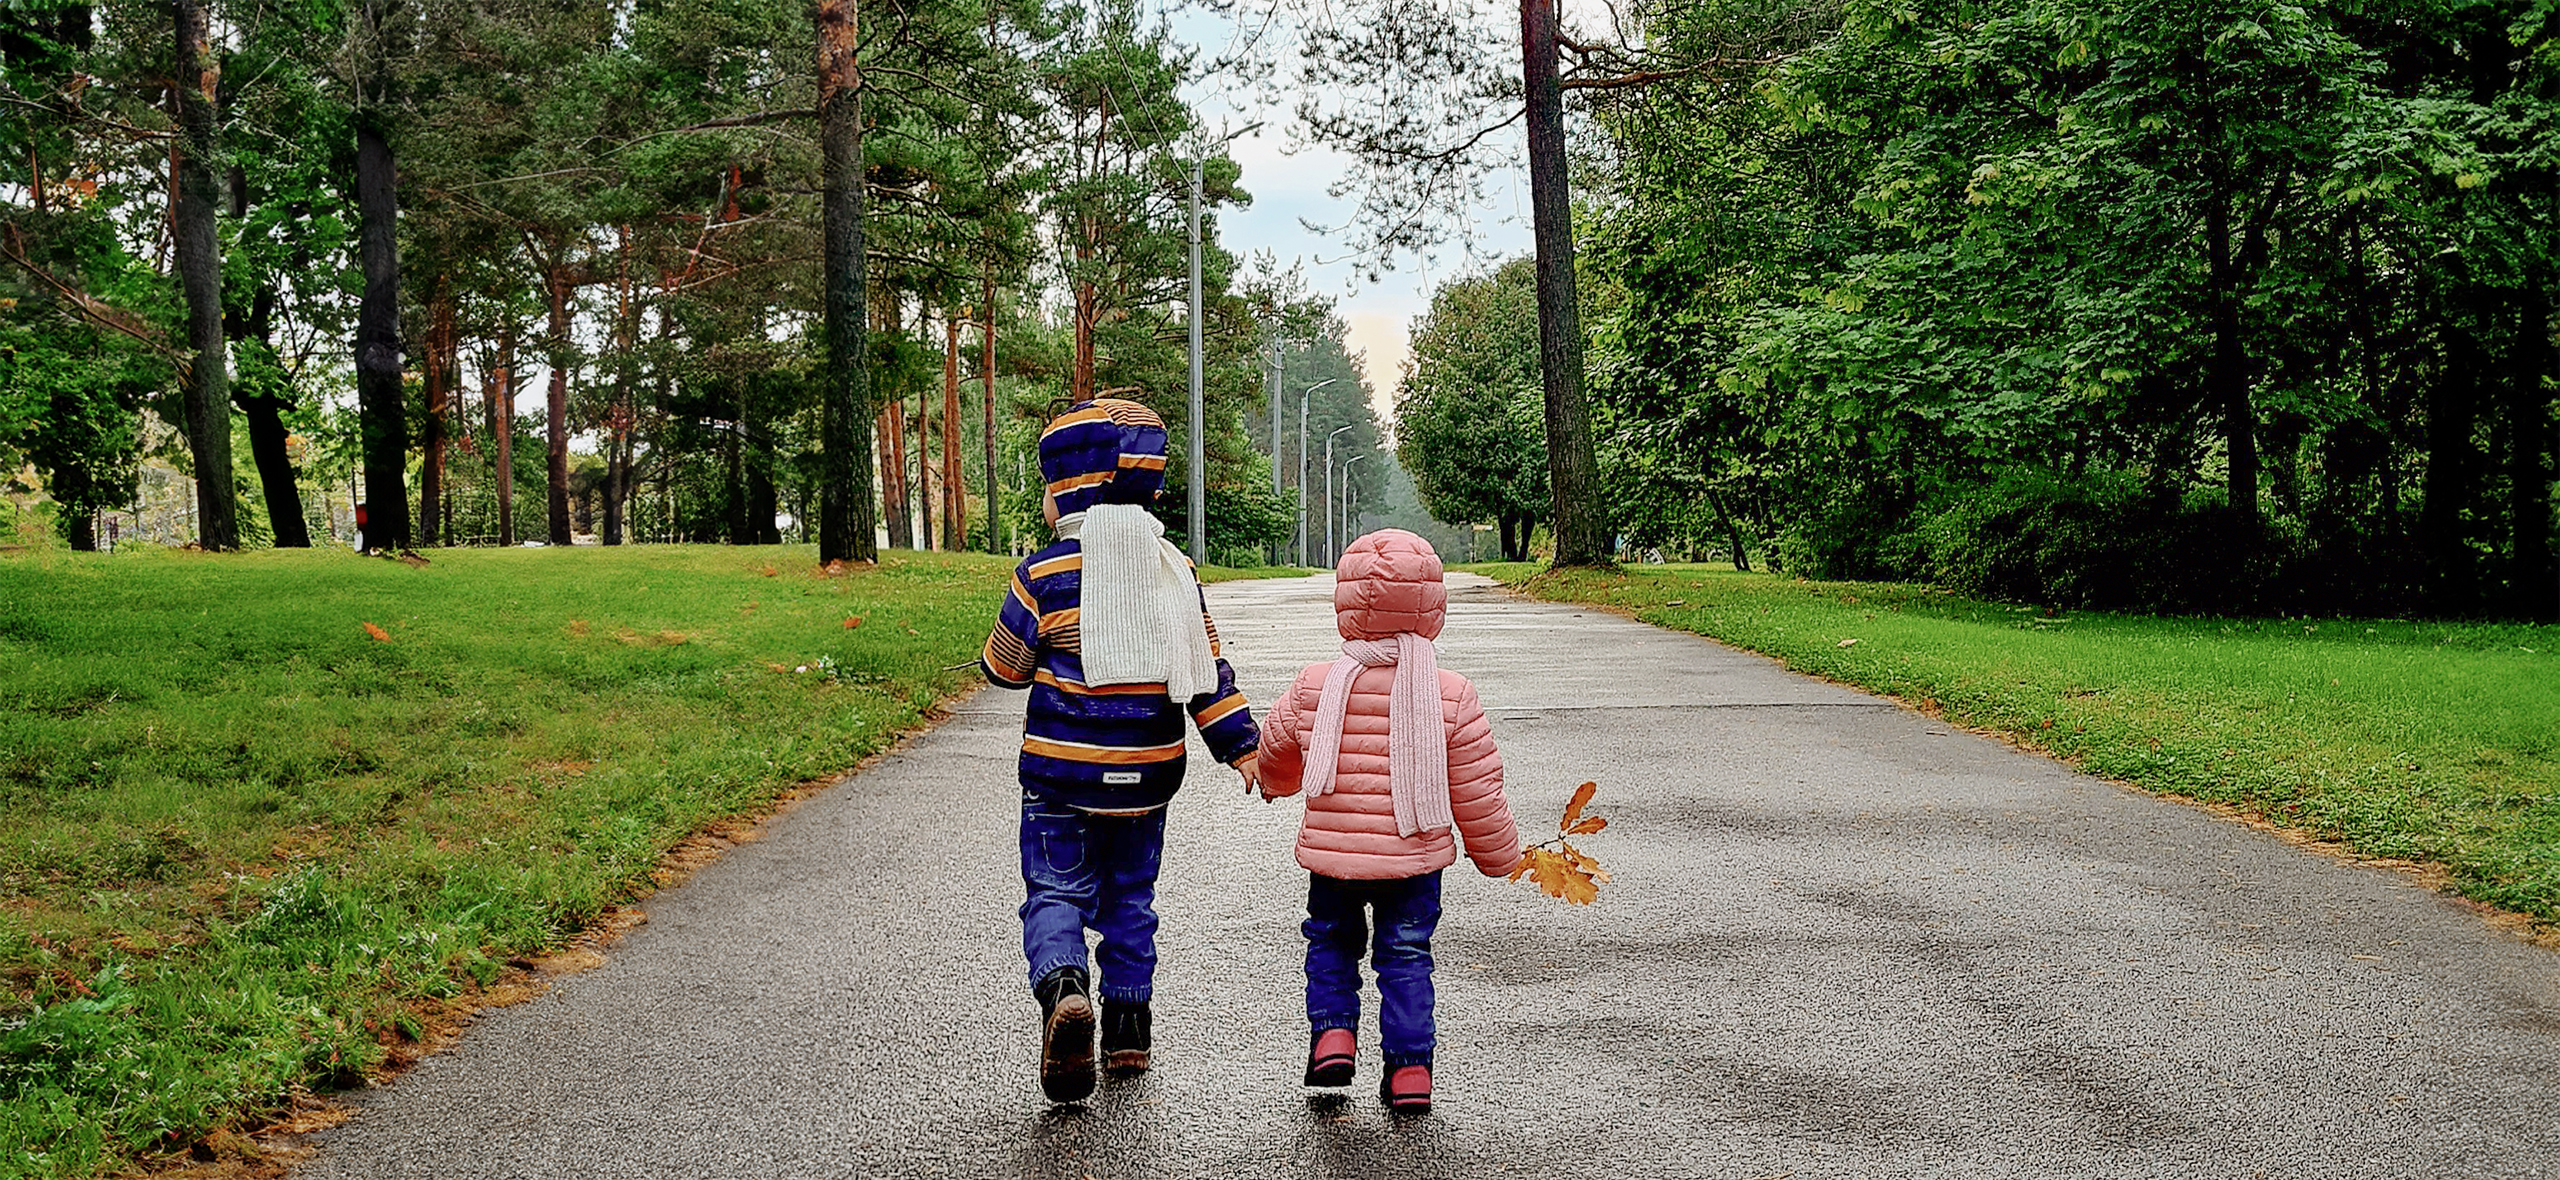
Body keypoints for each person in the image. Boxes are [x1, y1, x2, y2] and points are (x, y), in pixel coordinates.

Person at [978, 398, 1262, 1104]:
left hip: (1059, 778)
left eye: (1047, 488)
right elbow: (1206, 673)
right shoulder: (1173, 570)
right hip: (1147, 783)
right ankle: (1128, 1029)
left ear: (1071, 487)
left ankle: (1066, 987)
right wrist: (1243, 747)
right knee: (1131, 900)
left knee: (1055, 891)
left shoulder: (1042, 575)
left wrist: (1005, 660)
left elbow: (1005, 667)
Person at [1254, 529, 1521, 1115]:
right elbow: (1477, 788)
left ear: (1345, 602)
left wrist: (1273, 782)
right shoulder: (1452, 695)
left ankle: (1333, 1037)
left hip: (1334, 860)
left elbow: (1277, 746)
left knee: (1330, 940)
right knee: (1405, 956)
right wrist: (1501, 855)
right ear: (1432, 605)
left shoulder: (1316, 683)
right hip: (1413, 861)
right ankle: (1409, 1074)